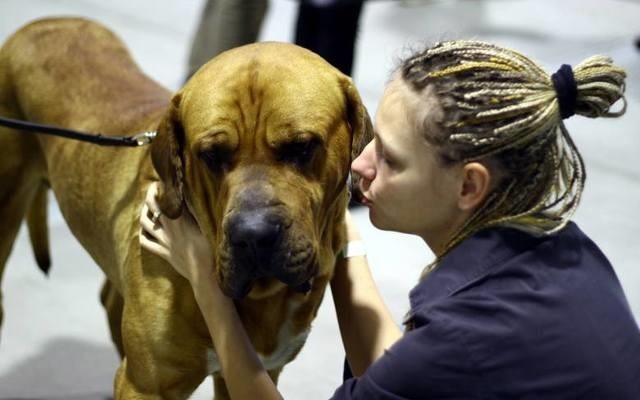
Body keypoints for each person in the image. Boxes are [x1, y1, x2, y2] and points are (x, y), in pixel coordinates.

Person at [140, 40, 640, 399]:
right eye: (369, 138)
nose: (358, 163)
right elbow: (394, 373)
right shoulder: (566, 249)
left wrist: (207, 287)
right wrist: (338, 241)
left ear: (469, 185)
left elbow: (422, 367)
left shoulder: (461, 338)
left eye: (390, 158)